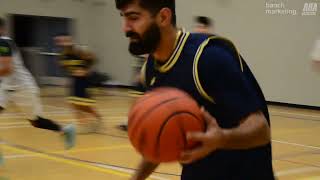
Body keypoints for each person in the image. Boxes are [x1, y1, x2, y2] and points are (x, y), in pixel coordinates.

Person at [115, 0, 275, 179]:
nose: (125, 28)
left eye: (133, 18)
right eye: (123, 18)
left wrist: (221, 138)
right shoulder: (151, 69)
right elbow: (159, 138)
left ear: (163, 17)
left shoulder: (208, 58)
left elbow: (261, 131)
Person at [0, 17, 76, 162]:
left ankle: (65, 130)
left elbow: (6, 69)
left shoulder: (3, 42)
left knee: (36, 122)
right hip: (5, 87)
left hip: (22, 88)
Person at [54, 34, 103, 133]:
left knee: (84, 105)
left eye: (66, 40)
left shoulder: (79, 51)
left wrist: (86, 70)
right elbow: (66, 67)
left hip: (85, 81)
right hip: (75, 80)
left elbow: (93, 58)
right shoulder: (62, 56)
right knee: (73, 104)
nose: (64, 43)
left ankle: (97, 118)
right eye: (61, 41)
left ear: (70, 41)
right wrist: (70, 76)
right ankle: (83, 124)